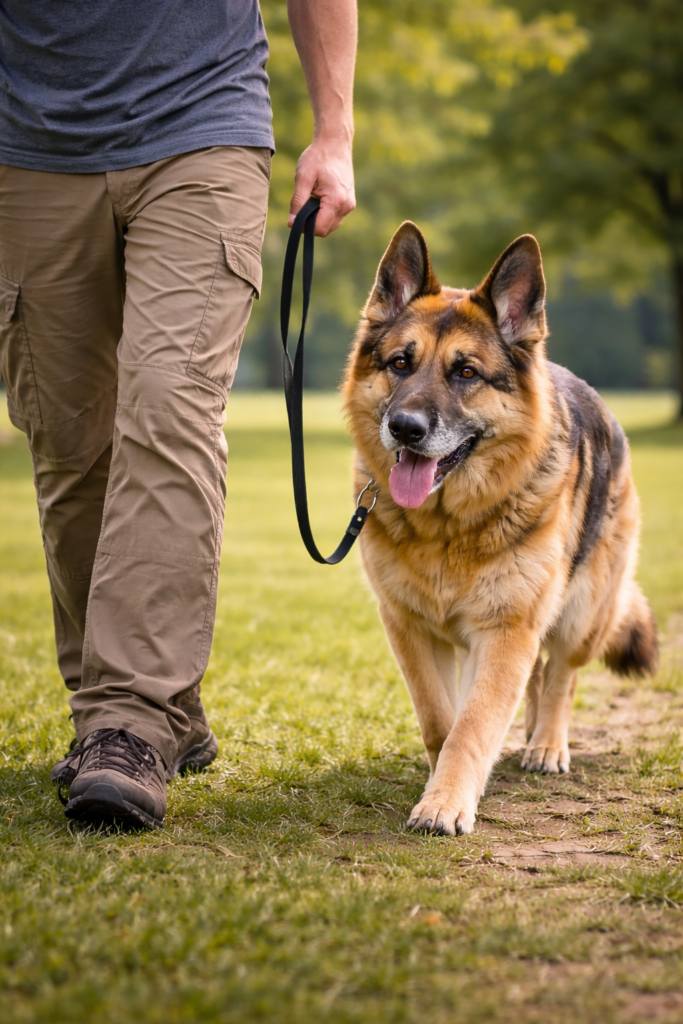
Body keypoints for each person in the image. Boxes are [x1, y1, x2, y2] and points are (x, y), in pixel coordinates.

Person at [0, 0, 357, 829]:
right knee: (68, 438)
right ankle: (157, 709)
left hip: (204, 125)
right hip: (29, 150)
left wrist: (333, 133)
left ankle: (125, 720)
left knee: (167, 405)